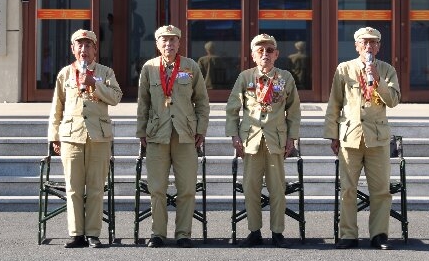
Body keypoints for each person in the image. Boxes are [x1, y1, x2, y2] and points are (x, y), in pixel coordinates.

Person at [324, 26, 401, 250]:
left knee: (381, 191)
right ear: (357, 46)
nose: (369, 46)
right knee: (348, 189)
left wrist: (378, 79)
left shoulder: (387, 70)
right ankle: (348, 234)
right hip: (351, 136)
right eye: (364, 42)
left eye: (373, 42)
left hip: (377, 138)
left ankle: (379, 235)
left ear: (379, 47)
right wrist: (332, 135)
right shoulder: (344, 69)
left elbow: (393, 101)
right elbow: (334, 103)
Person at [47, 28, 122, 248]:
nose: (84, 49)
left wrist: (95, 85)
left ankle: (93, 234)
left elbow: (116, 97)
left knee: (96, 188)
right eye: (79, 45)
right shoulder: (65, 74)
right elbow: (57, 107)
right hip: (71, 136)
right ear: (73, 49)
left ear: (95, 49)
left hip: (99, 136)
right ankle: (76, 233)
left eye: (88, 45)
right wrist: (54, 137)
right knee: (73, 187)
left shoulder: (105, 72)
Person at [136, 25, 209, 247]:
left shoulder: (190, 66)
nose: (169, 44)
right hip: (157, 134)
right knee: (157, 188)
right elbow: (143, 102)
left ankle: (183, 233)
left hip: (185, 134)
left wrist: (201, 129)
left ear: (179, 43)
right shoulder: (149, 68)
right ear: (157, 44)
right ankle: (157, 233)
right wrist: (141, 131)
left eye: (173, 40)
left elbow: (202, 101)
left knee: (186, 188)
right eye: (164, 40)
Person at [225, 33, 300, 247]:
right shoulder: (245, 77)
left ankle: (277, 232)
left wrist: (292, 138)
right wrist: (234, 135)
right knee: (251, 188)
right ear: (253, 55)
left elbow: (294, 111)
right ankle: (254, 231)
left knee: (277, 189)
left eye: (269, 50)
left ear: (276, 54)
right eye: (260, 50)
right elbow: (232, 109)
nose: (265, 54)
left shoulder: (285, 77)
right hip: (251, 140)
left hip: (276, 140)